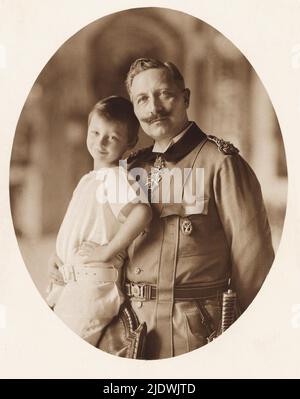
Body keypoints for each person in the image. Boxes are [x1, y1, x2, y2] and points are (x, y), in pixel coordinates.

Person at [97, 58, 275, 359]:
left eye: (164, 93)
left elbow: (254, 270)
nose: (154, 107)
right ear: (135, 108)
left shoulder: (222, 164)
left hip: (196, 335)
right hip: (129, 334)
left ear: (185, 97)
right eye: (142, 99)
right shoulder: (129, 169)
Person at [46, 96, 152, 345]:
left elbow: (142, 213)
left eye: (112, 137)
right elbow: (80, 226)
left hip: (93, 286)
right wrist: (58, 255)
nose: (100, 142)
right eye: (95, 132)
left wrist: (107, 250)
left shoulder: (114, 177)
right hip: (73, 281)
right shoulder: (91, 179)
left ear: (130, 142)